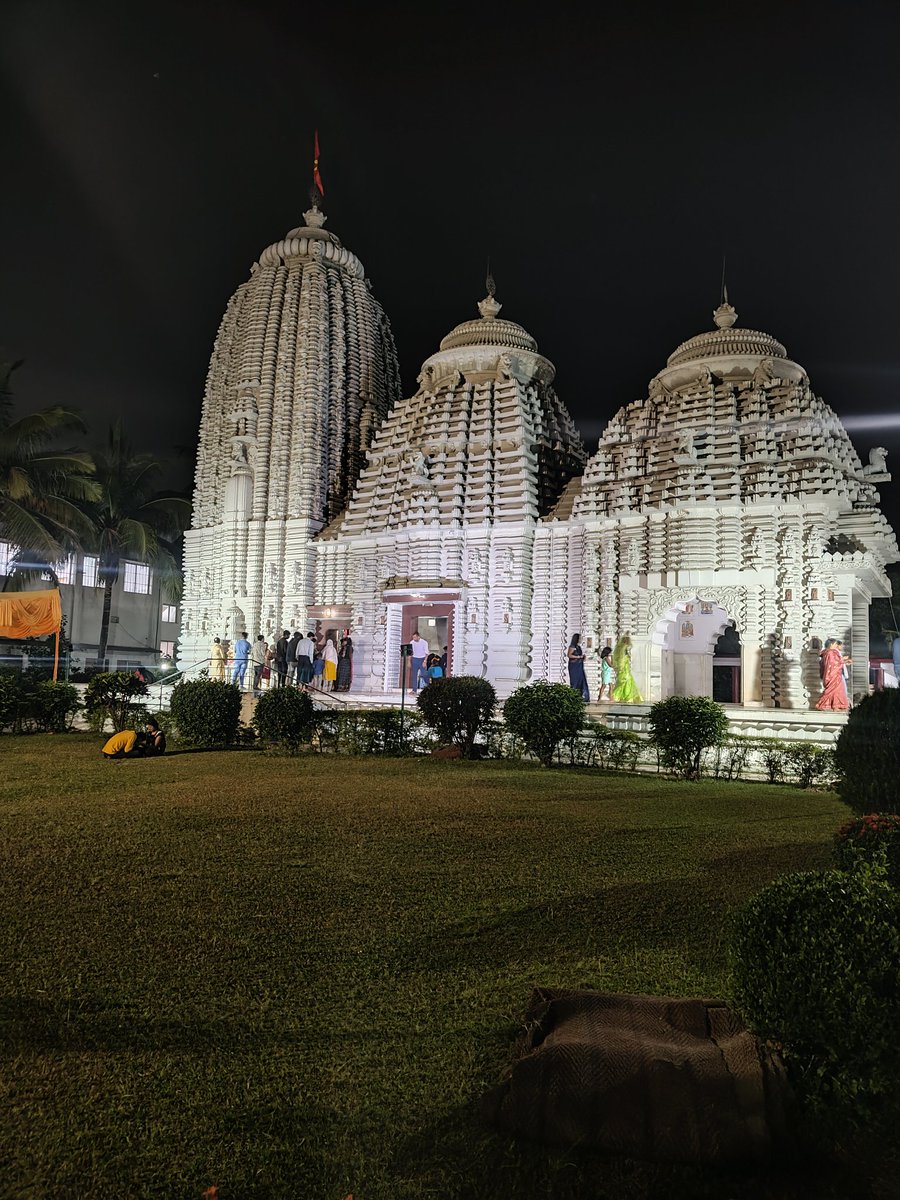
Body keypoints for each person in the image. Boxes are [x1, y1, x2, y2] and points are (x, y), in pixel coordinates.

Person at [816, 638, 850, 711]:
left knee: (838, 690)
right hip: (832, 675)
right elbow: (832, 663)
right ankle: (822, 704)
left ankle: (836, 706)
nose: (836, 645)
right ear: (831, 644)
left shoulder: (829, 652)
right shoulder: (830, 652)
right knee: (833, 690)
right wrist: (843, 659)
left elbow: (835, 662)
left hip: (835, 674)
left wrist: (844, 661)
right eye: (835, 644)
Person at [611, 634, 642, 703]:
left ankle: (624, 697)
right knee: (625, 681)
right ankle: (623, 696)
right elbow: (622, 658)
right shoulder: (623, 648)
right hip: (624, 669)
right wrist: (621, 667)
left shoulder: (620, 647)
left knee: (626, 682)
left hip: (624, 669)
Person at [567, 633, 590, 701]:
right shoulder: (572, 646)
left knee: (582, 680)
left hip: (579, 666)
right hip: (574, 666)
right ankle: (573, 697)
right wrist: (579, 657)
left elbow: (581, 656)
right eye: (580, 638)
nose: (581, 639)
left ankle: (583, 697)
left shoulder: (578, 647)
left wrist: (583, 657)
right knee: (575, 681)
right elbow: (569, 655)